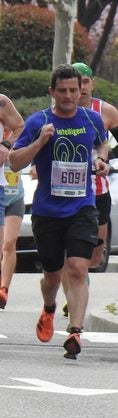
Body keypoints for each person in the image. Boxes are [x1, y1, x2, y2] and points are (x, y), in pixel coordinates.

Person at [8, 65, 111, 358]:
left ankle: (75, 332)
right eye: (62, 91)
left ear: (82, 91)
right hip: (48, 211)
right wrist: (40, 141)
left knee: (78, 267)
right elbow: (15, 163)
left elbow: (102, 143)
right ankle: (49, 308)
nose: (68, 96)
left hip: (82, 206)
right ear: (52, 92)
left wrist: (101, 160)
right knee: (52, 276)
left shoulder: (92, 119)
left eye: (73, 90)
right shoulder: (37, 121)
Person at [72, 62, 118, 272]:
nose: (81, 87)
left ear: (93, 84)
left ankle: (81, 279)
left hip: (98, 189)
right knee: (71, 250)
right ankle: (75, 289)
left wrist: (108, 159)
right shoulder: (58, 112)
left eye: (86, 82)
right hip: (67, 189)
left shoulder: (106, 111)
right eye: (77, 82)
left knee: (96, 254)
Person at [0, 93, 27, 308]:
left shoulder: (2, 103)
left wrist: (7, 145)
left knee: (8, 244)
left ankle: (3, 289)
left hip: (12, 193)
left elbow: (22, 127)